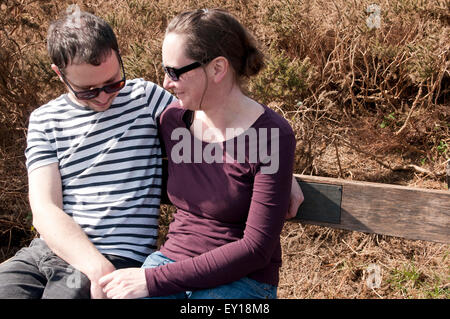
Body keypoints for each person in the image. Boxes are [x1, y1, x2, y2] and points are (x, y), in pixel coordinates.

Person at [0, 9, 303, 299]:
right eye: (88, 91)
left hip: (198, 274)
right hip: (124, 261)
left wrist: (278, 166)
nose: (105, 97)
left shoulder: (146, 100)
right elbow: (44, 208)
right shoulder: (171, 117)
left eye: (113, 82)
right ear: (60, 75)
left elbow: (228, 116)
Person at [99, 8, 298, 299]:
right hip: (169, 264)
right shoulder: (173, 121)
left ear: (218, 69)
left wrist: (154, 281)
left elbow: (256, 250)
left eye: (174, 72)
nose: (166, 83)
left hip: (242, 280)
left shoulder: (272, 136)